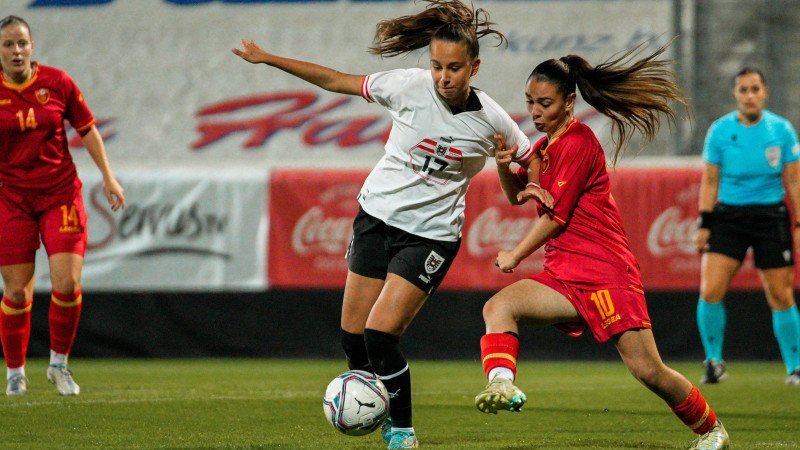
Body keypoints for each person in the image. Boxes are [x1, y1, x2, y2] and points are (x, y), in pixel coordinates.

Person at [232, 1, 551, 448]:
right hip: (375, 218)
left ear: (474, 67)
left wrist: (534, 185)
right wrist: (269, 58)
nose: (443, 76)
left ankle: (401, 431)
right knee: (353, 341)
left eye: (455, 68)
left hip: (430, 236)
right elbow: (335, 80)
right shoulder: (407, 86)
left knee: (379, 336)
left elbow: (530, 154)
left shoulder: (491, 120)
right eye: (437, 65)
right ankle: (369, 406)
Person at [473, 44, 730, 450]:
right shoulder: (542, 149)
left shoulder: (578, 142)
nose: (535, 112)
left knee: (648, 370)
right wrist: (504, 168)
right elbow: (516, 196)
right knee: (498, 307)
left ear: (570, 101)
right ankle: (502, 385)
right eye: (530, 103)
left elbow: (555, 217)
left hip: (605, 271)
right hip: (565, 274)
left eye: (545, 103)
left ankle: (712, 430)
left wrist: (515, 255)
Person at [0, 15, 125, 396]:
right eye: (8, 44)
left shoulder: (57, 82)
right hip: (12, 198)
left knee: (67, 283)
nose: (16, 50)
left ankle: (59, 364)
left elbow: (86, 128)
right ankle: (15, 372)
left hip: (60, 193)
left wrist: (108, 175)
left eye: (22, 43)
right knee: (18, 293)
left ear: (32, 46)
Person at [693, 67, 800, 385]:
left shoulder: (781, 130)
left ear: (765, 92)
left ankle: (794, 367)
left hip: (770, 217)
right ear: (735, 94)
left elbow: (794, 179)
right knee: (710, 290)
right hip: (729, 217)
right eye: (743, 90)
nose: (749, 95)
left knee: (780, 294)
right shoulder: (720, 131)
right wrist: (705, 222)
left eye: (755, 89)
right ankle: (713, 362)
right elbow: (710, 180)